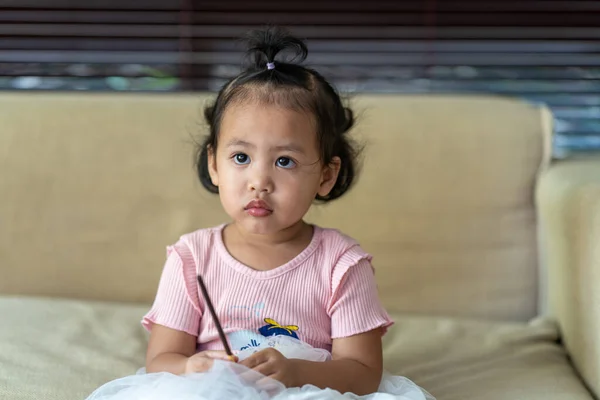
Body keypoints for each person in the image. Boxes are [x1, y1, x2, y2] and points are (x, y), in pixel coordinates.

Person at [85, 26, 434, 400]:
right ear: (214, 165)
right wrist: (191, 367)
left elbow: (363, 374)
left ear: (326, 175)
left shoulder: (341, 264)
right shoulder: (192, 257)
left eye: (285, 160)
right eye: (240, 157)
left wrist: (295, 371)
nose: (259, 181)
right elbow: (161, 358)